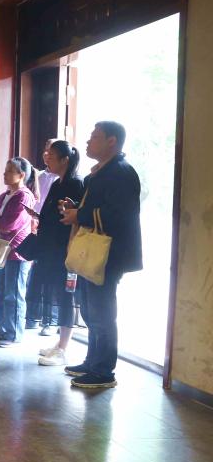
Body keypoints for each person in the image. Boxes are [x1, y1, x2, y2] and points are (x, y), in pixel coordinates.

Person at [59, 122, 142, 389]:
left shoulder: (121, 172)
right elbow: (96, 208)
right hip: (94, 252)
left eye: (95, 137)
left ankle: (104, 371)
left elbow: (118, 215)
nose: (88, 141)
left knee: (102, 313)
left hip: (109, 254)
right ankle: (93, 362)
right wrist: (76, 208)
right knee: (89, 309)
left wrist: (79, 215)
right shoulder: (102, 172)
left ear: (112, 141)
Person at [33, 141, 86, 367]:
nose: (47, 157)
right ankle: (59, 343)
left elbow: (74, 218)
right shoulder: (57, 183)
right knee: (56, 293)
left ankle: (63, 348)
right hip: (50, 248)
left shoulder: (76, 183)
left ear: (65, 160)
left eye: (52, 155)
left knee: (66, 296)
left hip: (64, 249)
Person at [0, 158, 38, 347]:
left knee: (14, 294)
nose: (4, 174)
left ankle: (13, 334)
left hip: (17, 250)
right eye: (5, 170)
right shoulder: (4, 195)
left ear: (21, 175)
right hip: (2, 248)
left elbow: (8, 224)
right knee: (0, 291)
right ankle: (3, 330)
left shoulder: (25, 196)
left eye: (9, 171)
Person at [26, 138, 62, 334]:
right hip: (35, 227)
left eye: (52, 152)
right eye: (46, 151)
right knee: (35, 276)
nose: (47, 155)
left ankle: (51, 320)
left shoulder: (62, 179)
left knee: (52, 278)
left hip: (52, 232)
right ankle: (32, 316)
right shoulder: (38, 176)